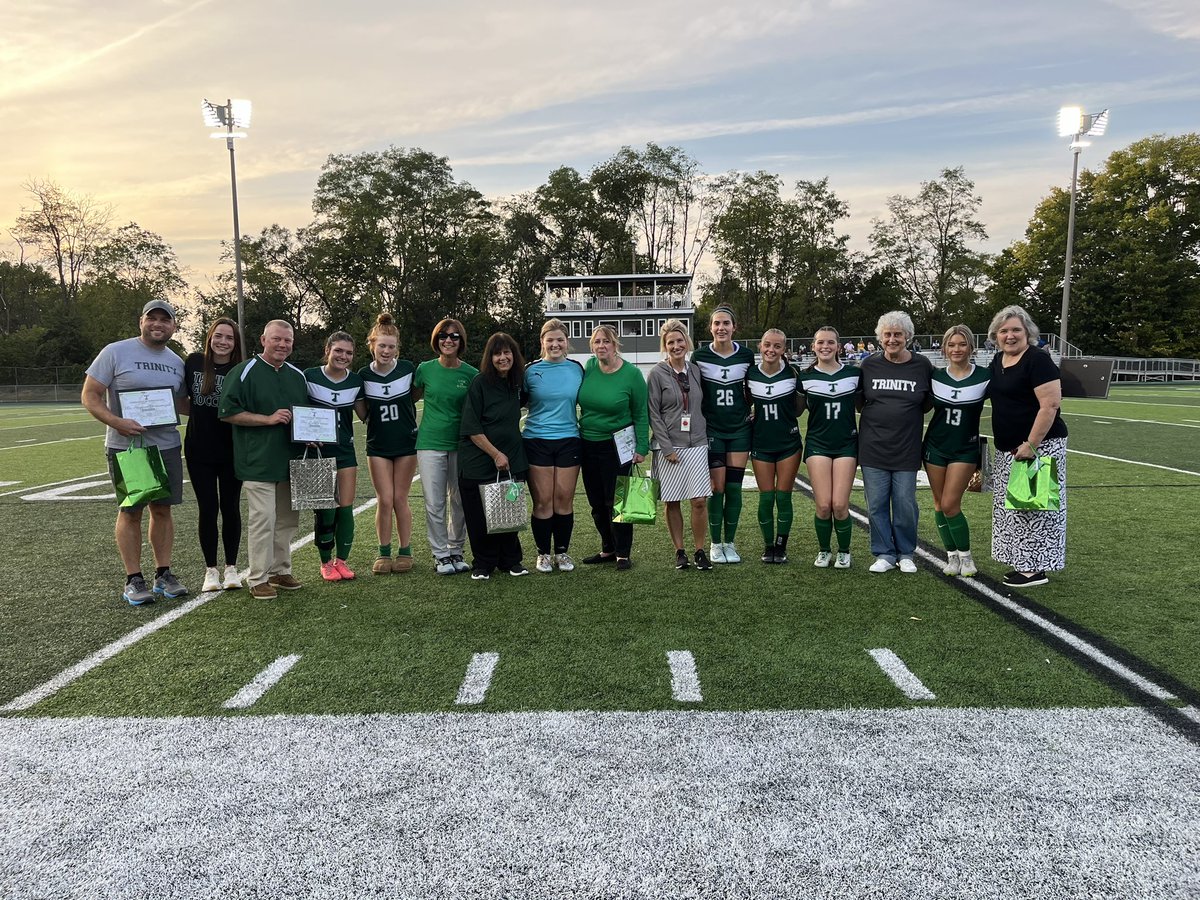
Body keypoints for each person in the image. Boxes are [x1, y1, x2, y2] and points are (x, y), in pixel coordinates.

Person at [82, 299, 189, 605]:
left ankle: (164, 574)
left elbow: (180, 404)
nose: (158, 324)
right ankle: (133, 578)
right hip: (128, 446)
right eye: (152, 318)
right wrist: (117, 422)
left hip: (167, 444)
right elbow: (90, 395)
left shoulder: (176, 361)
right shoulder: (115, 351)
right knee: (131, 511)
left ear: (174, 326)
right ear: (141, 321)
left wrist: (220, 413)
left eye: (164, 320)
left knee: (163, 510)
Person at [218, 319, 310, 600]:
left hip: (291, 459)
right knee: (264, 519)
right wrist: (267, 420)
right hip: (257, 459)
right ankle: (258, 577)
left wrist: (311, 433)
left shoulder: (297, 375)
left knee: (287, 520)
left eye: (288, 340)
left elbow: (305, 416)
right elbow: (227, 412)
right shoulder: (244, 371)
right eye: (277, 339)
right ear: (263, 340)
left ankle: (280, 570)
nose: (282, 345)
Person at [988, 305, 1068, 587]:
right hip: (1009, 449)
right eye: (1004, 331)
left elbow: (1050, 405)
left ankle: (1035, 570)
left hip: (1037, 446)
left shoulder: (1037, 360)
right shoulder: (997, 361)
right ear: (996, 335)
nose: (1010, 336)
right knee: (1016, 509)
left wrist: (1032, 444)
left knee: (1035, 510)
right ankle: (1022, 562)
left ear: (1028, 333)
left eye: (1015, 330)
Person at [857, 311, 934, 574]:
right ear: (880, 338)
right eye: (887, 334)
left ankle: (906, 552)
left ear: (908, 337)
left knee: (905, 503)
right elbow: (858, 401)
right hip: (873, 447)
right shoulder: (868, 365)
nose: (892, 339)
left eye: (898, 334)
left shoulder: (922, 366)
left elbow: (928, 403)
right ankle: (884, 553)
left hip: (907, 448)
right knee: (876, 503)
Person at [577, 325, 649, 571]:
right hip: (587, 443)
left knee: (618, 501)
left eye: (606, 341)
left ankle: (623, 552)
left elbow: (640, 412)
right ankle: (607, 548)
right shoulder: (588, 368)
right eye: (596, 342)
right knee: (596, 502)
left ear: (615, 344)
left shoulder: (632, 374)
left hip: (618, 445)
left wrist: (642, 446)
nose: (601, 346)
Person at [458, 333, 529, 580]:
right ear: (490, 357)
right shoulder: (480, 383)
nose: (503, 358)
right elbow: (471, 428)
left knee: (509, 510)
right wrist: (496, 454)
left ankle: (511, 561)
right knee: (479, 516)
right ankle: (483, 563)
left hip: (513, 461)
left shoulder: (518, 381)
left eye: (507, 352)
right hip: (480, 462)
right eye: (497, 353)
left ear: (514, 355)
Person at [183, 317, 245, 593]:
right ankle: (211, 570)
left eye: (229, 338)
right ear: (210, 337)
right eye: (218, 336)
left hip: (232, 449)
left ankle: (232, 567)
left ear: (236, 343)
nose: (223, 342)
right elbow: (183, 400)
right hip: (199, 449)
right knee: (207, 509)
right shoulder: (194, 362)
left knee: (230, 507)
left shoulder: (241, 369)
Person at [923, 325, 990, 577]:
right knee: (939, 504)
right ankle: (951, 556)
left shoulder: (984, 376)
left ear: (971, 347)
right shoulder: (935, 376)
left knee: (951, 503)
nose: (956, 349)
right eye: (951, 345)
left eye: (962, 344)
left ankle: (966, 556)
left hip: (964, 448)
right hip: (935, 447)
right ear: (944, 348)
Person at [646, 319, 711, 571]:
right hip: (669, 448)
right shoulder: (656, 373)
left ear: (687, 342)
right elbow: (654, 413)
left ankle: (699, 550)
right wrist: (667, 447)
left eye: (680, 341)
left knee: (698, 501)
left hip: (697, 443)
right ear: (665, 346)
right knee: (672, 501)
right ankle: (680, 551)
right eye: (670, 342)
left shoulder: (695, 370)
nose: (676, 346)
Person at [414, 318, 477, 576]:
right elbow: (411, 398)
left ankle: (456, 549)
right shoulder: (424, 369)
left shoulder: (471, 374)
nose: (448, 340)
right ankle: (440, 554)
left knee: (459, 500)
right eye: (443, 336)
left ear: (461, 341)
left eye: (454, 336)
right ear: (436, 340)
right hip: (430, 443)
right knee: (434, 502)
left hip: (461, 444)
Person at [692, 306, 754, 564]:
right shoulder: (700, 356)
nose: (721, 328)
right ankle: (715, 544)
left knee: (734, 488)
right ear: (710, 328)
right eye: (717, 323)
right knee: (716, 488)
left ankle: (730, 542)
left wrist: (754, 411)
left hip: (739, 429)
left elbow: (753, 389)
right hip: (713, 429)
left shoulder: (747, 356)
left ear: (734, 327)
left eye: (726, 323)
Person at [359, 313, 419, 575]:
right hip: (378, 445)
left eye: (391, 346)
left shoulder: (407, 369)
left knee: (399, 498)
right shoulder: (362, 375)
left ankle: (405, 551)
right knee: (384, 499)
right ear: (372, 344)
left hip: (406, 443)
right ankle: (384, 552)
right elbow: (362, 412)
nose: (386, 350)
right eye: (381, 345)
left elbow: (415, 396)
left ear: (397, 348)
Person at [523, 318, 584, 574]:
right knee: (543, 501)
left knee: (563, 499)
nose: (555, 344)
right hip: (537, 440)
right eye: (550, 340)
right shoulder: (530, 370)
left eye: (560, 340)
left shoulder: (578, 369)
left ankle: (561, 552)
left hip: (569, 439)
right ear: (542, 343)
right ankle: (542, 554)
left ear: (566, 342)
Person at [305, 331, 366, 582]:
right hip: (317, 452)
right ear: (328, 349)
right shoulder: (309, 377)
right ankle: (325, 562)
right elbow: (298, 410)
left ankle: (342, 561)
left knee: (345, 506)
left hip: (344, 450)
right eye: (338, 350)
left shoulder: (355, 382)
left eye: (349, 352)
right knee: (325, 509)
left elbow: (365, 415)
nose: (343, 356)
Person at [799, 326, 860, 569]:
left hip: (846, 444)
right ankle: (824, 550)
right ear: (813, 346)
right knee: (823, 505)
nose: (825, 346)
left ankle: (844, 551)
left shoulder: (854, 374)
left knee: (840, 505)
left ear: (838, 345)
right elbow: (791, 409)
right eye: (820, 342)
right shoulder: (804, 377)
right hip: (818, 444)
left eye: (830, 342)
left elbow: (868, 405)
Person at [743, 329, 802, 564]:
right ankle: (768, 546)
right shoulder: (750, 374)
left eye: (777, 346)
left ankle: (781, 545)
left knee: (784, 497)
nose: (771, 350)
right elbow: (747, 402)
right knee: (766, 498)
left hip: (788, 443)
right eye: (767, 345)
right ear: (760, 345)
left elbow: (798, 408)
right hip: (761, 443)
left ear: (784, 349)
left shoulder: (793, 373)